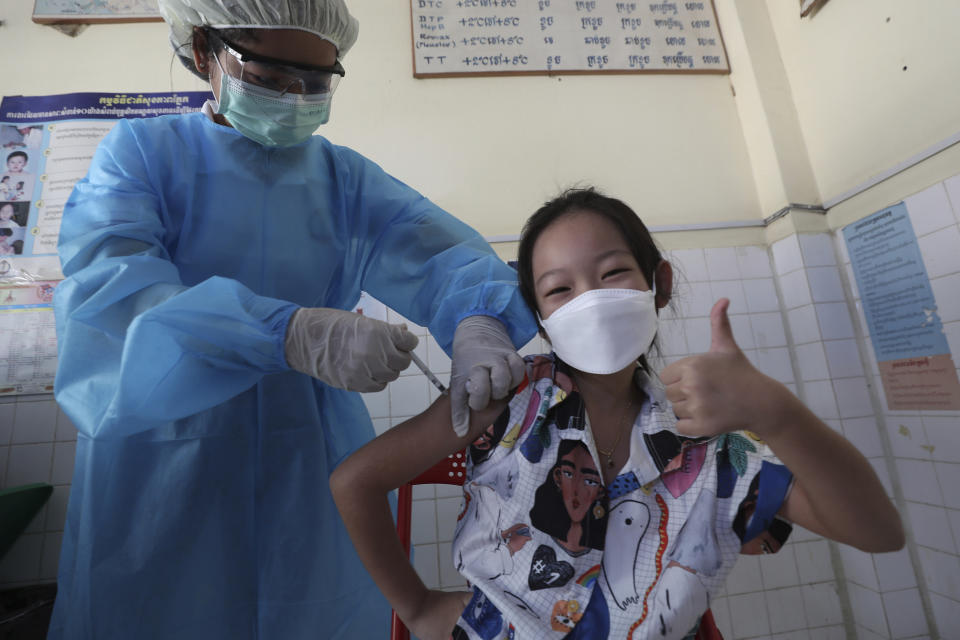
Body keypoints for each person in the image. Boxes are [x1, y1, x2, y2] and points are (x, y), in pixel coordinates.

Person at [49, 1, 537, 638]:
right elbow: (113, 295)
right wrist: (288, 332)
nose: (295, 98)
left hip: (310, 463)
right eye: (272, 76)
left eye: (315, 82)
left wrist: (481, 323)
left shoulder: (341, 180)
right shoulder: (141, 154)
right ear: (204, 50)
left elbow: (442, 255)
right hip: (163, 466)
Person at [331, 188, 904, 640]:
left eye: (612, 275)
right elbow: (355, 481)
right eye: (559, 290)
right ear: (536, 313)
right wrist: (416, 605)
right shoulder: (506, 401)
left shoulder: (707, 441)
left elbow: (877, 532)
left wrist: (778, 413)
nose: (590, 301)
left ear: (660, 284)